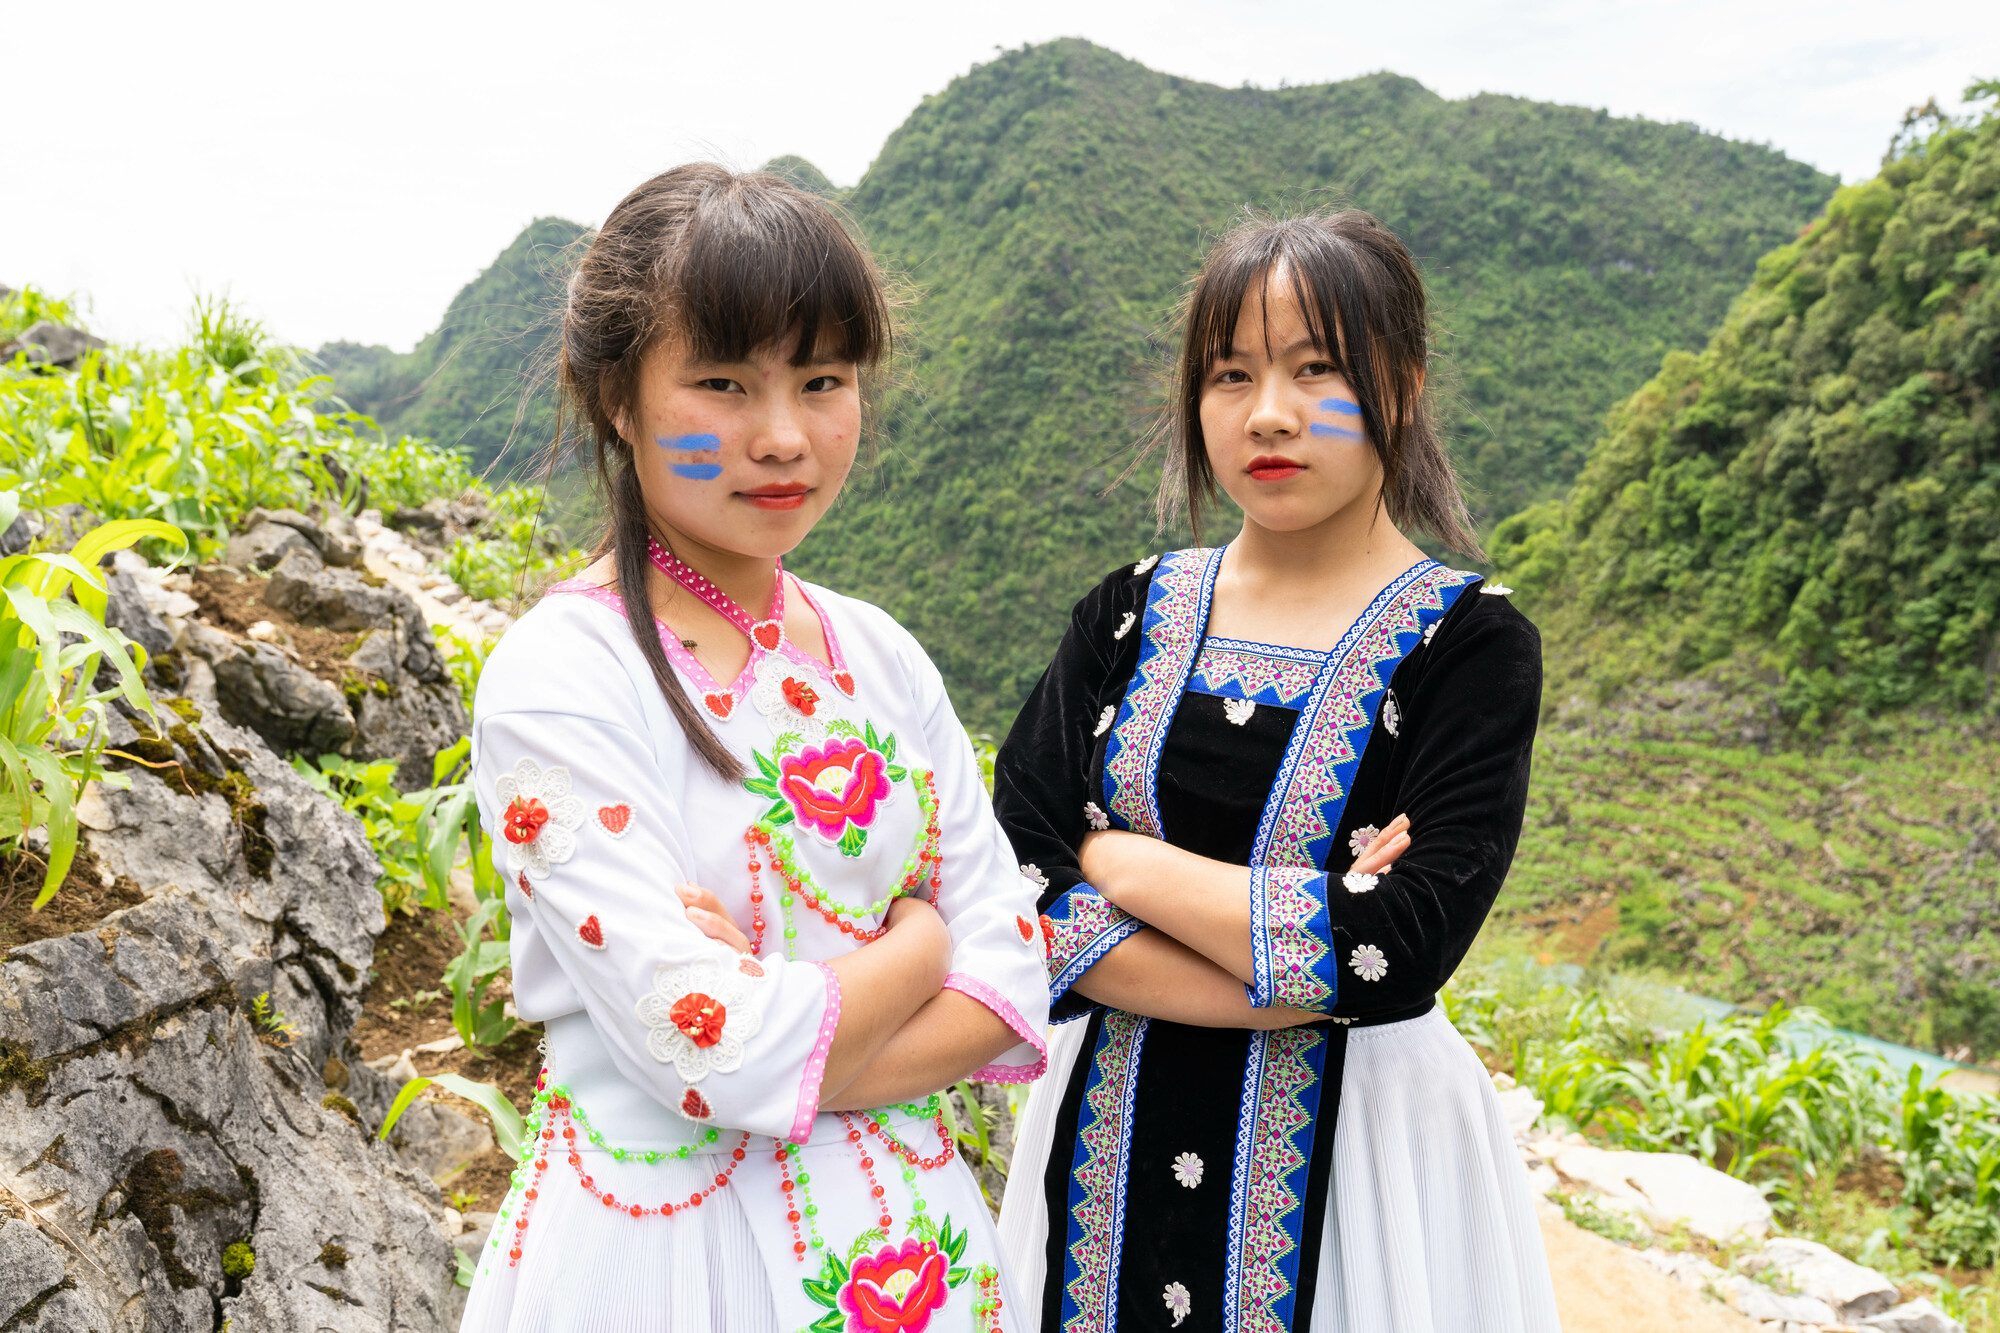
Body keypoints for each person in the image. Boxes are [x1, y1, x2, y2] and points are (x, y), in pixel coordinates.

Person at [459, 163, 1048, 1332]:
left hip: (909, 1250)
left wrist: (796, 1020)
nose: (783, 437)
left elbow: (1016, 968)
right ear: (615, 398)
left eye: (821, 380)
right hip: (667, 1263)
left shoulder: (879, 653)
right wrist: (918, 939)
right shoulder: (559, 679)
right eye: (722, 383)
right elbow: (711, 1048)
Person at [991, 209, 1561, 1332]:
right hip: (1106, 1116)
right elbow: (1009, 870)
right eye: (1229, 374)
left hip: (1361, 1161)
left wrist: (1112, 855)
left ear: (1397, 384)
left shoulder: (1469, 646)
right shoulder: (1126, 613)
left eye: (1317, 370)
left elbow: (1397, 946)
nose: (1267, 414)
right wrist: (1285, 971)